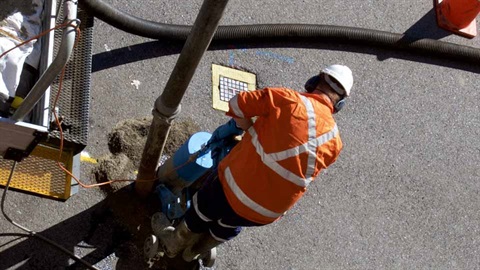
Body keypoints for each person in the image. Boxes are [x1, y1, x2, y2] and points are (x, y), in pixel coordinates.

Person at [158, 64, 354, 264]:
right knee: (230, 222)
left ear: (313, 82)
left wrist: (249, 128)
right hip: (266, 213)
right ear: (339, 105)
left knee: (204, 208)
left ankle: (175, 243)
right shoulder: (335, 143)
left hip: (232, 186)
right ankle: (194, 252)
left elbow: (236, 105)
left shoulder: (287, 99)